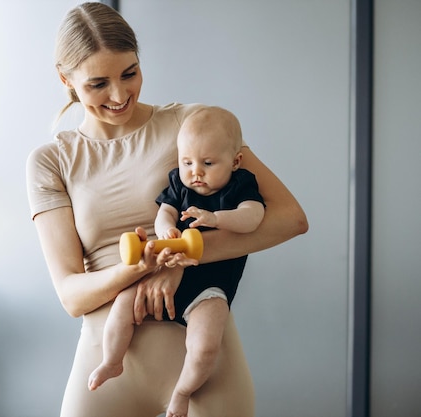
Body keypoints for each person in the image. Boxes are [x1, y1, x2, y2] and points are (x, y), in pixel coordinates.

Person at [26, 3, 308, 417]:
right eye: (98, 83)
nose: (120, 95)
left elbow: (289, 218)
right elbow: (71, 295)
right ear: (65, 79)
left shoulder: (189, 124)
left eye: (130, 73)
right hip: (107, 369)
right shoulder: (52, 161)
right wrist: (142, 267)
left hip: (207, 367)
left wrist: (184, 256)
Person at [87, 106, 265, 417]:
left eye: (208, 163)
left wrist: (215, 218)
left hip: (210, 287)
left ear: (235, 161)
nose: (196, 171)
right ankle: (111, 361)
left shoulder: (241, 185)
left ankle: (182, 392)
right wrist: (164, 229)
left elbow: (254, 217)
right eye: (187, 162)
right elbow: (165, 212)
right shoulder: (179, 184)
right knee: (123, 305)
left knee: (207, 345)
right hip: (165, 270)